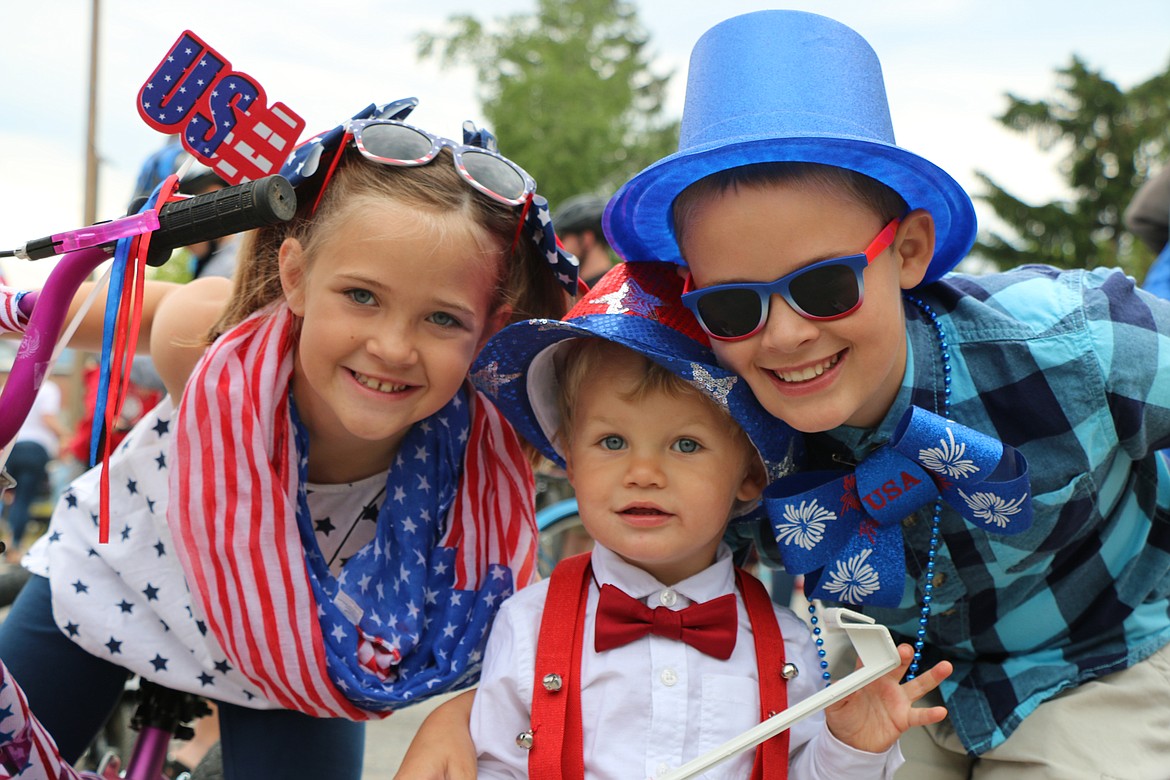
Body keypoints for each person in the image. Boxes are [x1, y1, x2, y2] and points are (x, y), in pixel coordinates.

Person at [596, 10, 1170, 779]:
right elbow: (646, 581)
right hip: (889, 685)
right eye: (734, 306)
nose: (785, 335)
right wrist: (485, 702)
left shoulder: (1071, 341)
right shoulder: (719, 422)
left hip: (1100, 655)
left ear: (907, 252)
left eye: (824, 285)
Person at [0, 97, 574, 780]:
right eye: (361, 295)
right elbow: (94, 308)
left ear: (490, 326)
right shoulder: (208, 334)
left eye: (443, 319)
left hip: (309, 643)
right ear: (296, 277)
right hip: (119, 581)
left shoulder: (492, 434)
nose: (391, 347)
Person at [462, 260, 951, 778]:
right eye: (612, 441)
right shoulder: (528, 623)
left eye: (686, 445)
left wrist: (851, 747)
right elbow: (498, 764)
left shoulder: (789, 644)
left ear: (749, 477)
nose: (644, 473)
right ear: (571, 460)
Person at [1, 368, 66, 563]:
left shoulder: (9, 386)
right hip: (35, 450)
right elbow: (48, 418)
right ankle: (13, 546)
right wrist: (66, 436)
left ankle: (6, 539)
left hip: (10, 447)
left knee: (6, 496)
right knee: (23, 499)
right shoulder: (48, 388)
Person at [554, 193, 618, 287]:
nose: (558, 247)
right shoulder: (622, 289)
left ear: (586, 239)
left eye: (562, 237)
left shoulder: (606, 294)